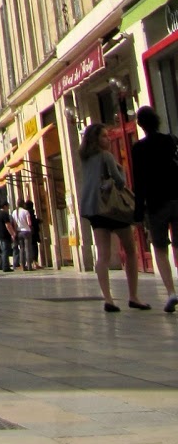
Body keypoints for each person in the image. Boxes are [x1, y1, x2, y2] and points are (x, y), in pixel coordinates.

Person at [79, 121, 148, 312]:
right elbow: (119, 181)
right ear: (95, 139)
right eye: (104, 136)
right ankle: (133, 296)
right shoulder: (106, 156)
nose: (108, 139)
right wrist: (121, 173)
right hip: (113, 209)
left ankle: (108, 299)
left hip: (94, 210)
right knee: (130, 250)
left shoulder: (85, 159)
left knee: (103, 255)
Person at [130, 105, 178, 315]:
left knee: (160, 247)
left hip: (156, 204)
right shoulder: (171, 141)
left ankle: (171, 292)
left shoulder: (139, 149)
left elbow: (139, 181)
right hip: (176, 197)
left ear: (140, 125)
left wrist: (138, 212)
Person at [13, 198, 33, 270]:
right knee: (28, 249)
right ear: (23, 204)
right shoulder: (26, 212)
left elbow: (14, 224)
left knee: (21, 249)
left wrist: (15, 232)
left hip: (19, 232)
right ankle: (29, 266)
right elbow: (29, 223)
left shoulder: (14, 212)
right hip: (26, 231)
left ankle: (23, 266)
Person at [0, 201, 16, 271]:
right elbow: (8, 225)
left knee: (3, 250)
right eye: (8, 206)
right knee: (5, 251)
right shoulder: (4, 214)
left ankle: (4, 265)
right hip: (5, 235)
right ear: (5, 206)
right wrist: (12, 233)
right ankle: (5, 267)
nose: (8, 208)